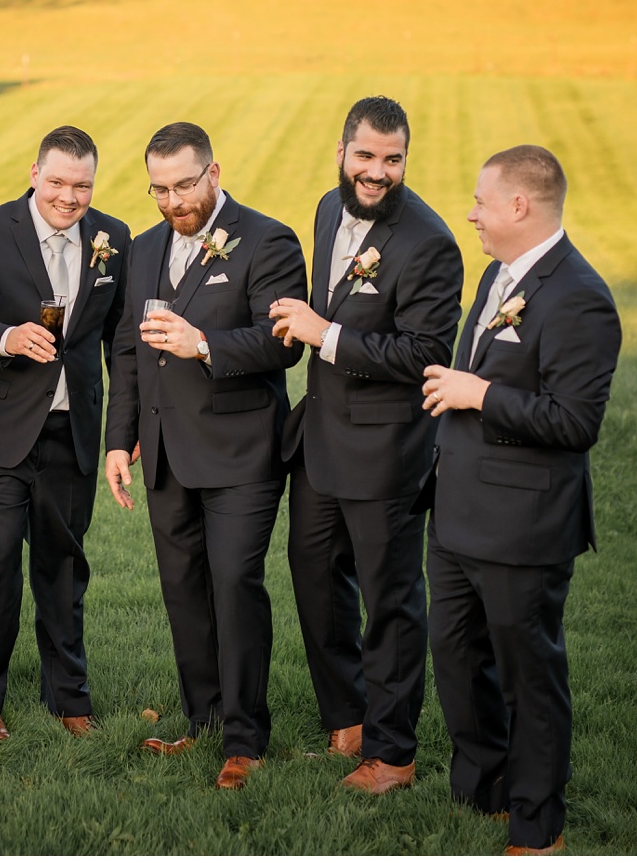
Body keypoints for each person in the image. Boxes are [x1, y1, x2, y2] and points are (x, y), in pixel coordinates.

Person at [420, 145, 621, 857]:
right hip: (457, 511)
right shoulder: (497, 272)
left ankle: (538, 826)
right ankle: (483, 787)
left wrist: (480, 394)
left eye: (480, 200)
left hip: (523, 524)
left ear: (519, 206)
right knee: (454, 655)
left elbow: (575, 422)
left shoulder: (580, 296)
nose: (470, 211)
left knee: (529, 676)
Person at [103, 122, 306, 790]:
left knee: (234, 585)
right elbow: (129, 352)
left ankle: (246, 738)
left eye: (184, 184)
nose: (171, 200)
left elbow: (282, 342)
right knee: (183, 591)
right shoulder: (143, 247)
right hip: (163, 450)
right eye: (158, 187)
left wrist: (205, 344)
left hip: (240, 452)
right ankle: (205, 718)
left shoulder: (267, 238)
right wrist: (118, 437)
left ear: (214, 171)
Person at [269, 96, 463, 794]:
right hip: (320, 438)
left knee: (391, 603)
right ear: (343, 151)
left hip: (386, 453)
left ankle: (394, 753)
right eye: (366, 156)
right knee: (315, 578)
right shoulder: (328, 205)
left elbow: (425, 352)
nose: (377, 172)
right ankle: (346, 719)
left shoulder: (431, 242)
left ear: (405, 158)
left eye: (393, 158)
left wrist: (327, 334)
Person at [0, 127, 131, 739]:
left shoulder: (114, 239)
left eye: (81, 185)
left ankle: (68, 698)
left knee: (64, 567)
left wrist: (118, 437)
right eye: (56, 182)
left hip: (71, 433)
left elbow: (120, 348)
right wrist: (6, 337)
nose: (68, 197)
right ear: (33, 174)